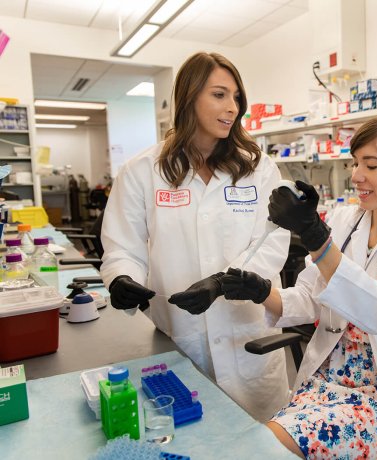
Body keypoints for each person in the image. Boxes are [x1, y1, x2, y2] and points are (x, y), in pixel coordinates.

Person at [220, 115, 377, 459]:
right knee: (264, 444)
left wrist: (317, 240)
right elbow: (309, 297)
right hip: (326, 385)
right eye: (355, 162)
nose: (357, 175)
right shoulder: (347, 222)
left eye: (372, 165)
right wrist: (263, 293)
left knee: (268, 447)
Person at [100, 52, 290, 421]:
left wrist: (224, 282)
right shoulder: (142, 171)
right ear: (189, 98)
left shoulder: (259, 168)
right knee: (193, 434)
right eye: (219, 95)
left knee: (260, 442)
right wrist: (122, 278)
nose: (232, 107)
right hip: (180, 334)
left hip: (246, 334)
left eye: (236, 97)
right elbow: (124, 245)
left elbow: (271, 241)